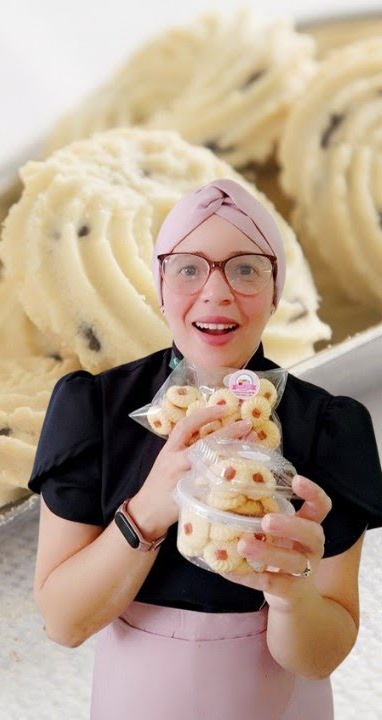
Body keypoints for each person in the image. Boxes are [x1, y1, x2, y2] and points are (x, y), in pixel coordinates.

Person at [29, 179, 382, 719]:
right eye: (189, 268)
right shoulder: (95, 412)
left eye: (245, 269)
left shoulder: (328, 428)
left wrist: (290, 596)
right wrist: (150, 507)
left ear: (275, 290)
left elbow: (321, 657)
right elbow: (63, 621)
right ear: (161, 284)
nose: (216, 294)